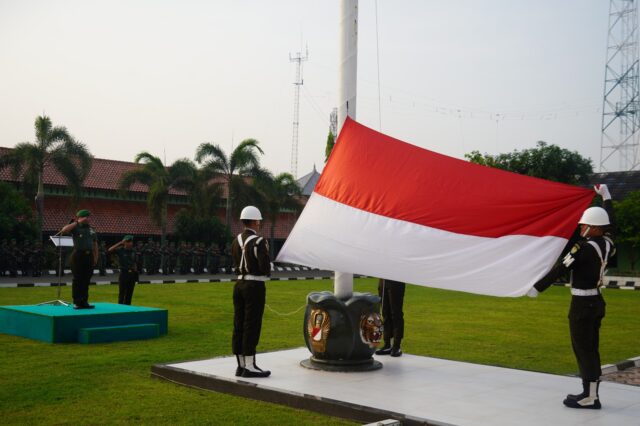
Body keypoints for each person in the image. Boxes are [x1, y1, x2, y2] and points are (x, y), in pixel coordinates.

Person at [527, 184, 615, 410]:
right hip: (596, 302)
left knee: (583, 349)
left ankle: (590, 397)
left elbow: (561, 269)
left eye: (585, 224)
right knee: (591, 348)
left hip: (582, 305)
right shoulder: (608, 243)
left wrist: (536, 287)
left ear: (594, 228)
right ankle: (590, 393)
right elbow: (611, 223)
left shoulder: (583, 249)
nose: (582, 227)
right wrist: (606, 197)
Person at [231, 206, 271, 378]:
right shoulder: (259, 241)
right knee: (251, 325)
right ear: (255, 221)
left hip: (239, 284)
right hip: (254, 287)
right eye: (259, 221)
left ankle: (240, 365)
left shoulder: (236, 241)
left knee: (239, 324)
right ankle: (250, 365)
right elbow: (264, 269)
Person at [59, 209, 99, 309]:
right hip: (78, 255)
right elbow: (64, 230)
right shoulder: (76, 227)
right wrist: (77, 222)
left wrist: (96, 257)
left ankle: (84, 301)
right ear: (82, 217)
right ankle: (77, 302)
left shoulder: (91, 229)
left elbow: (95, 244)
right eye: (87, 217)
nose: (89, 219)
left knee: (86, 279)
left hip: (89, 256)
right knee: (78, 279)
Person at [375, 279, 406, 357]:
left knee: (396, 313)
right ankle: (387, 344)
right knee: (385, 313)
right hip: (383, 280)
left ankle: (397, 345)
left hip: (396, 280)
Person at [108, 235, 139, 305]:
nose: (130, 243)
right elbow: (110, 250)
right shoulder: (120, 250)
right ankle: (120, 309)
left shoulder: (133, 251)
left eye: (131, 241)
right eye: (128, 242)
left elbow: (134, 262)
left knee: (130, 293)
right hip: (124, 273)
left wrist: (136, 273)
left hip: (132, 274)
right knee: (122, 293)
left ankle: (128, 308)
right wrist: (120, 243)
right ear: (124, 242)